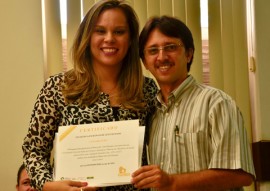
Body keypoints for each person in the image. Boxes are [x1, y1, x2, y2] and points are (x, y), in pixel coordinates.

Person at [22, 0, 157, 191]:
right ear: (87, 36)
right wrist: (49, 185)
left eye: (119, 31)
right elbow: (33, 150)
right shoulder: (59, 87)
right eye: (100, 31)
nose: (109, 38)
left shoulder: (147, 89)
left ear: (130, 39)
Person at [131, 16, 256, 191]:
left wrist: (173, 183)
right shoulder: (150, 113)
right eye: (152, 50)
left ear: (189, 54)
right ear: (144, 62)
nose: (162, 57)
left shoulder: (217, 103)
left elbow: (240, 174)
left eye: (171, 47)